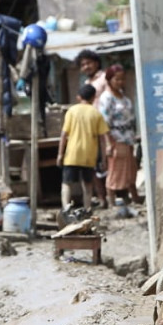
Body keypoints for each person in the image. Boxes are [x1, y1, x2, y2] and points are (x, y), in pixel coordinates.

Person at [57, 84, 110, 212]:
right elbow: (102, 139)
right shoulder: (96, 114)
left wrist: (60, 154)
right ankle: (87, 208)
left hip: (72, 154)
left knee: (67, 183)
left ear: (79, 97)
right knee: (87, 183)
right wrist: (103, 159)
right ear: (93, 97)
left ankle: (65, 208)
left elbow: (64, 135)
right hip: (89, 155)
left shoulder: (72, 111)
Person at [97, 64, 140, 205]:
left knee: (131, 169)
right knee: (116, 170)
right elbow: (104, 123)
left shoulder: (123, 96)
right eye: (117, 79)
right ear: (109, 80)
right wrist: (109, 143)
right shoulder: (106, 98)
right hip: (116, 138)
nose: (120, 82)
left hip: (128, 138)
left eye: (122, 79)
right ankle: (111, 202)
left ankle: (134, 197)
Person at [77, 49, 109, 207]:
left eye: (88, 63)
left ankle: (111, 197)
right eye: (83, 64)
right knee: (93, 163)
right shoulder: (86, 84)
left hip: (105, 126)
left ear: (96, 63)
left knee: (107, 162)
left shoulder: (104, 78)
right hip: (91, 128)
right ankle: (101, 197)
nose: (86, 67)